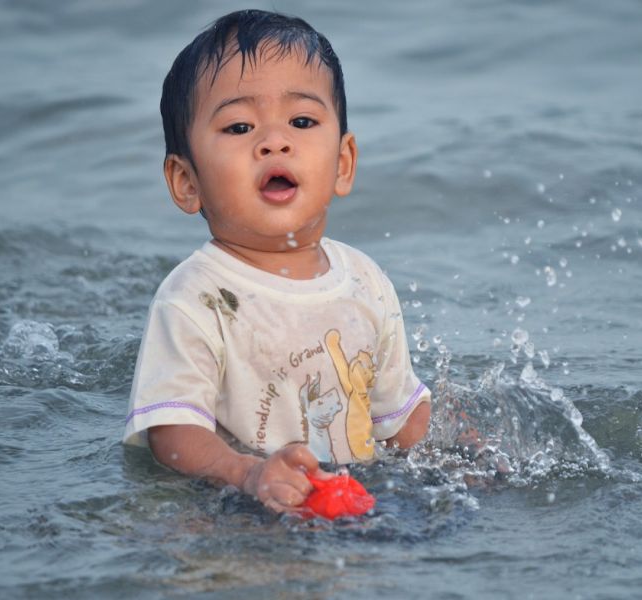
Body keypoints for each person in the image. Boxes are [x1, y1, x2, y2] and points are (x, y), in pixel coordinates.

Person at [123, 9, 431, 513]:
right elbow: (170, 432)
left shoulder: (365, 281)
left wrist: (463, 451)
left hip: (343, 507)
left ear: (343, 163)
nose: (275, 140)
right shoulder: (194, 297)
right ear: (186, 181)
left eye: (302, 121)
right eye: (239, 126)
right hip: (234, 510)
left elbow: (397, 420)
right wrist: (248, 475)